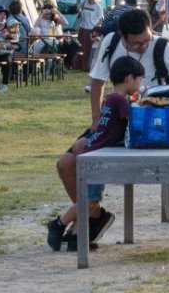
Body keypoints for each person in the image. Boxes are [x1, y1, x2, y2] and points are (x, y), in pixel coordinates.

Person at [49, 55, 143, 250]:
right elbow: (134, 121)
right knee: (90, 201)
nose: (140, 84)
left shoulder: (110, 98)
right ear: (129, 79)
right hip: (95, 157)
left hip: (91, 151)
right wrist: (141, 104)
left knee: (89, 199)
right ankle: (59, 224)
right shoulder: (121, 102)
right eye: (139, 79)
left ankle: (77, 239)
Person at [88, 8, 169, 121]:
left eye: (147, 40)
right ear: (122, 35)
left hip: (155, 119)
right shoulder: (110, 42)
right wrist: (96, 119)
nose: (143, 47)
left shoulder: (163, 48)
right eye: (136, 43)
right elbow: (97, 82)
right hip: (119, 118)